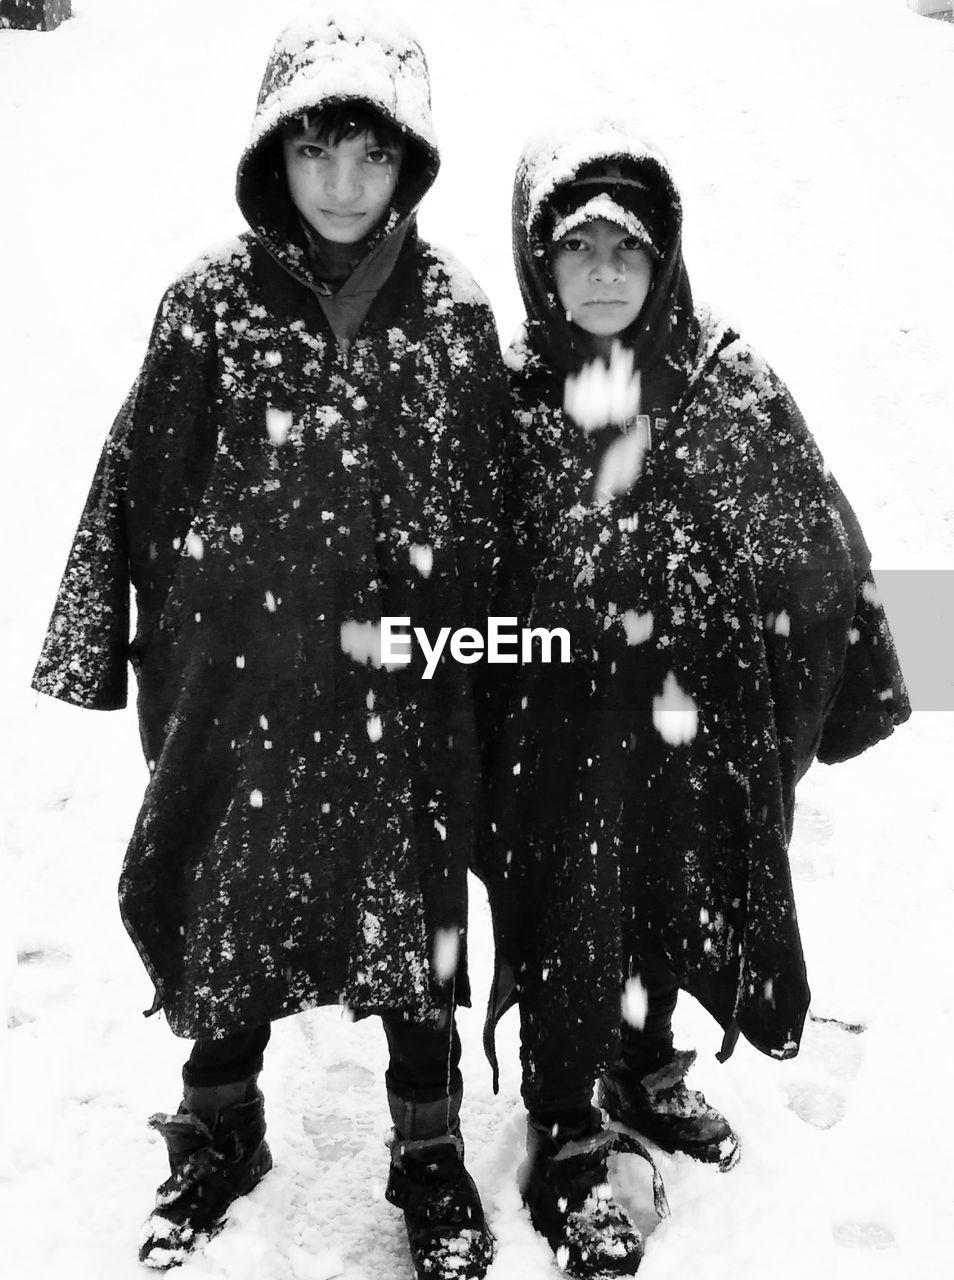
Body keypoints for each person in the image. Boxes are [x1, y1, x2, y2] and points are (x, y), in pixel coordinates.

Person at [30, 5, 507, 1276]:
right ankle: (219, 1124)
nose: (343, 184)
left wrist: (499, 656)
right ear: (272, 156)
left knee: (415, 916)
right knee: (230, 889)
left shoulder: (454, 312)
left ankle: (427, 1144)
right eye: (315, 152)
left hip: (405, 689)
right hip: (237, 683)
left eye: (370, 154)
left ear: (409, 161)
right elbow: (138, 476)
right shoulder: (207, 306)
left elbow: (492, 500)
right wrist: (122, 643)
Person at [476, 115, 910, 1277]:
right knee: (572, 913)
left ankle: (646, 1061)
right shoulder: (511, 401)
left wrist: (829, 667)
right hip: (555, 739)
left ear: (664, 256)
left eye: (629, 247)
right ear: (540, 261)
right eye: (579, 247)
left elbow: (817, 548)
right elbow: (450, 562)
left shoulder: (727, 380)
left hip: (690, 724)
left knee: (676, 886)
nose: (606, 271)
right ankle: (568, 1120)